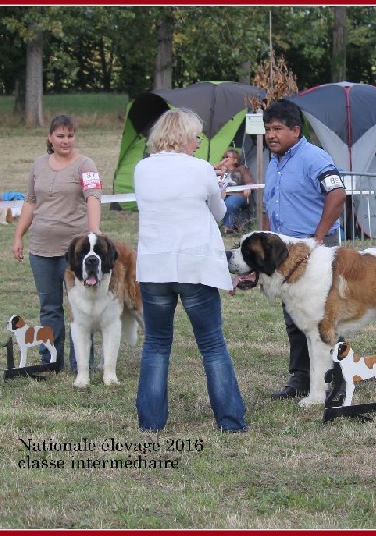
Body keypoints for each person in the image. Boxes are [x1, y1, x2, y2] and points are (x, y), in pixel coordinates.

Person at [134, 108, 247, 433]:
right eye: (195, 135)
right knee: (211, 344)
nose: (198, 141)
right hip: (194, 266)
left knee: (156, 345)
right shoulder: (201, 170)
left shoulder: (142, 169)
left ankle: (151, 424)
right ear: (182, 136)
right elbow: (218, 212)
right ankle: (230, 422)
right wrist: (218, 190)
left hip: (155, 267)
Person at [261, 99, 348, 402]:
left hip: (316, 251)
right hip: (286, 256)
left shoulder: (315, 157)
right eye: (268, 129)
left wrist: (319, 237)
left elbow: (338, 194)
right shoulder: (274, 162)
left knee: (327, 316)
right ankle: (300, 379)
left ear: (296, 130)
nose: (271, 135)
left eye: (278, 129)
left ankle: (339, 378)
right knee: (295, 317)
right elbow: (269, 206)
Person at [12, 114, 101, 372]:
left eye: (70, 136)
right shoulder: (38, 165)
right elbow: (30, 201)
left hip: (75, 252)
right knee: (49, 308)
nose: (66, 141)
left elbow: (93, 197)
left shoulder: (86, 164)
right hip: (40, 248)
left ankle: (81, 363)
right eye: (60, 136)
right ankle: (50, 361)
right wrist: (18, 235)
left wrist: (94, 229)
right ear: (50, 138)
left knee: (79, 307)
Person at [215, 148, 255, 234]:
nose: (224, 159)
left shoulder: (242, 169)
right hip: (221, 195)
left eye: (227, 157)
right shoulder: (219, 170)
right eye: (223, 157)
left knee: (229, 204)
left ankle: (228, 228)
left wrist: (248, 188)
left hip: (237, 194)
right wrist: (219, 167)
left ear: (235, 160)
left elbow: (249, 181)